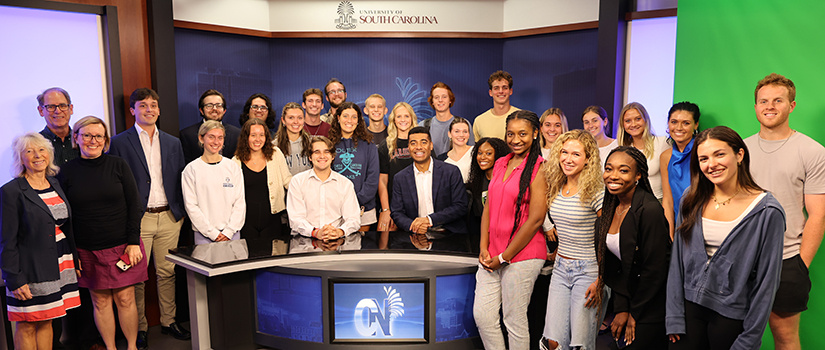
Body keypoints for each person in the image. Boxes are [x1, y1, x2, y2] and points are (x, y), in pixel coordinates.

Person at [666, 126, 785, 350]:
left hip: (731, 316)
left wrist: (750, 338)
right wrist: (673, 315)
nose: (711, 164)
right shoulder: (689, 200)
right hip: (689, 310)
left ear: (739, 155)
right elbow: (677, 262)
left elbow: (767, 282)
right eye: (703, 158)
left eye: (719, 154)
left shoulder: (767, 211)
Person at [743, 73, 825, 350]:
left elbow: (818, 214)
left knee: (786, 339)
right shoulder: (739, 150)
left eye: (778, 100)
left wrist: (800, 264)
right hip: (740, 258)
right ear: (755, 106)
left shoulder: (812, 151)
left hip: (786, 259)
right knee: (733, 335)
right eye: (763, 101)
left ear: (791, 105)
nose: (769, 106)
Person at [108, 87, 190, 347]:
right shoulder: (120, 142)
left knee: (167, 272)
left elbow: (179, 177)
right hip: (138, 218)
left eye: (153, 105)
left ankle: (169, 321)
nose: (150, 109)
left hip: (168, 215)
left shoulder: (172, 141)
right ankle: (141, 327)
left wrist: (180, 214)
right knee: (138, 276)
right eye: (143, 105)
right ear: (132, 110)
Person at [58, 116, 147, 350]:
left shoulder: (118, 165)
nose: (92, 140)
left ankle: (131, 347)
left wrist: (132, 242)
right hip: (87, 249)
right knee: (100, 301)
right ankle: (110, 348)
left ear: (106, 140)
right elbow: (65, 216)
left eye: (98, 136)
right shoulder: (66, 172)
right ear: (76, 137)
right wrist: (73, 254)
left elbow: (134, 205)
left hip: (123, 247)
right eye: (86, 135)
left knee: (126, 299)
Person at [473, 110, 547, 350]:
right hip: (491, 254)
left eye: (523, 134)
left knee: (513, 320)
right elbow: (488, 208)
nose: (516, 139)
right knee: (483, 316)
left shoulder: (540, 167)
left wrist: (504, 257)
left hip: (523, 255)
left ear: (535, 134)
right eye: (511, 134)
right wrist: (484, 247)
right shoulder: (500, 162)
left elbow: (536, 220)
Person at [1, 133, 80, 350]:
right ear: (20, 158)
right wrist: (14, 279)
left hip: (58, 264)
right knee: (26, 324)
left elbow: (64, 225)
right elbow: (6, 239)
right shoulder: (11, 191)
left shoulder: (54, 182)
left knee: (47, 319)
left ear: (49, 154)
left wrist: (74, 258)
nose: (37, 155)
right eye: (29, 151)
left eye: (42, 150)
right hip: (28, 269)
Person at [596, 146, 670, 349]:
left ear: (638, 175)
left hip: (653, 304)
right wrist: (621, 308)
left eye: (623, 170)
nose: (613, 176)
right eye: (609, 169)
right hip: (629, 300)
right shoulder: (611, 209)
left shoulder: (649, 210)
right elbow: (618, 268)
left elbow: (655, 271)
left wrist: (634, 313)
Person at [540, 129, 606, 350]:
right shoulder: (557, 186)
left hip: (588, 271)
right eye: (564, 152)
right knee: (553, 342)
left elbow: (609, 238)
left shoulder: (596, 192)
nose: (568, 159)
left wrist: (600, 279)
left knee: (580, 344)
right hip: (559, 269)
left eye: (576, 154)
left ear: (588, 160)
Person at [390, 126, 469, 251]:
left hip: (449, 235)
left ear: (431, 145)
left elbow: (460, 206)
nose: (418, 147)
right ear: (408, 148)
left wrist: (429, 220)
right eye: (413, 143)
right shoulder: (400, 178)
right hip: (415, 237)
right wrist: (413, 226)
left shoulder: (451, 171)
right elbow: (396, 212)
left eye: (423, 142)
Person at [232, 118, 292, 256]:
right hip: (246, 221)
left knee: (272, 261)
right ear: (245, 137)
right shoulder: (235, 161)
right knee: (248, 261)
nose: (257, 139)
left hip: (272, 219)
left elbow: (287, 181)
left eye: (261, 135)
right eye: (253, 135)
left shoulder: (275, 154)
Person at [182, 121, 246, 245]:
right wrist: (213, 233)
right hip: (204, 235)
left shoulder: (233, 167)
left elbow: (239, 203)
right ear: (201, 138)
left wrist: (229, 231)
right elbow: (191, 207)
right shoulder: (191, 170)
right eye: (211, 137)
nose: (216, 142)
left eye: (220, 138)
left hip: (232, 234)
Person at [286, 136, 361, 240]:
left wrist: (339, 232)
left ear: (332, 156)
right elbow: (296, 219)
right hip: (304, 241)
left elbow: (353, 219)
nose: (322, 156)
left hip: (337, 240)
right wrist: (315, 232)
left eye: (326, 152)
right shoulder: (297, 182)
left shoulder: (345, 184)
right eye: (317, 152)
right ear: (310, 157)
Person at [328, 102, 380, 231]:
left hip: (363, 208)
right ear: (338, 118)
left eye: (354, 117)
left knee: (361, 247)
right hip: (334, 209)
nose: (349, 121)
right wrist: (339, 203)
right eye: (345, 116)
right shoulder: (329, 144)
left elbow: (373, 177)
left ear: (358, 121)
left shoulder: (369, 145)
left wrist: (356, 201)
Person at [660, 102, 701, 238]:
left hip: (703, 223)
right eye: (674, 122)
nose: (679, 128)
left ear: (695, 125)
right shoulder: (665, 156)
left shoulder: (703, 151)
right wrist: (670, 232)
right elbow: (667, 199)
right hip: (679, 225)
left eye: (686, 123)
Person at [377, 102, 419, 233]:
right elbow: (382, 181)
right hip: (395, 206)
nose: (403, 120)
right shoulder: (386, 145)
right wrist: (386, 210)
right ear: (393, 120)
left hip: (418, 204)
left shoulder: (421, 143)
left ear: (412, 118)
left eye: (406, 116)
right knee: (386, 245)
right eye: (399, 116)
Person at [617, 102, 669, 200]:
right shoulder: (621, 149)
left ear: (645, 120)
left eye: (638, 119)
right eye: (628, 121)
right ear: (623, 125)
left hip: (657, 201)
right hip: (630, 203)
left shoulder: (662, 142)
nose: (633, 124)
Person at [466, 137, 510, 252]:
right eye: (480, 153)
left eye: (488, 153)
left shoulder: (508, 181)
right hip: (483, 241)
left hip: (506, 240)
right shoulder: (475, 183)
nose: (482, 157)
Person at [180, 89, 242, 163]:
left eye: (218, 105)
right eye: (209, 106)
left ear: (224, 110)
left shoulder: (237, 134)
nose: (214, 109)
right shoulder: (187, 135)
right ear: (201, 110)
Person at [421, 82, 475, 155]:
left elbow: (471, 152)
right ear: (432, 101)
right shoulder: (423, 126)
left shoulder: (464, 124)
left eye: (444, 97)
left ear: (450, 100)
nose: (440, 100)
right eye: (436, 97)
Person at [37, 87, 80, 166]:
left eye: (62, 105)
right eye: (51, 107)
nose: (58, 111)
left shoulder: (82, 140)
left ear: (70, 109)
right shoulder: (34, 144)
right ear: (41, 111)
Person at [473, 71, 520, 141]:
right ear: (490, 92)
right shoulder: (479, 121)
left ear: (510, 91)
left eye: (505, 87)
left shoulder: (522, 117)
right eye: (496, 88)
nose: (501, 91)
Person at [276, 102, 313, 175]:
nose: (296, 122)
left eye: (299, 118)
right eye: (291, 118)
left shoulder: (312, 143)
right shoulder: (274, 146)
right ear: (283, 120)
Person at [435, 117, 473, 183]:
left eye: (465, 131)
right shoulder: (441, 159)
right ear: (449, 134)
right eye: (457, 131)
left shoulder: (475, 152)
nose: (461, 135)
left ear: (469, 134)